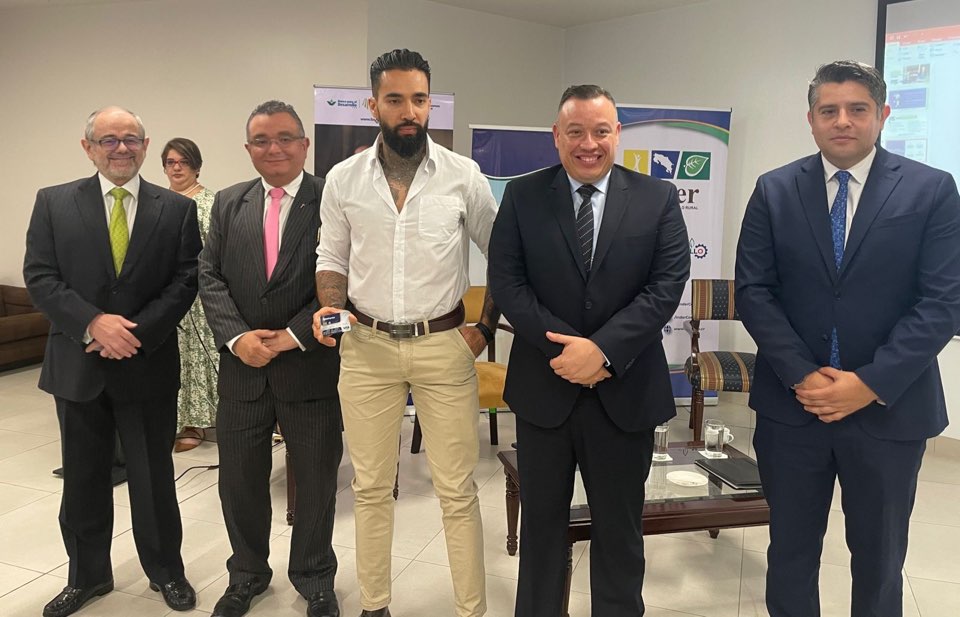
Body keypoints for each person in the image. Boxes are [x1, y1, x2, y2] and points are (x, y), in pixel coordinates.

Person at [735, 60, 960, 617]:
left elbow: (942, 301)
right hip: (794, 408)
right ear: (810, 119)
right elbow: (754, 292)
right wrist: (802, 374)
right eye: (828, 110)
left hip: (889, 411)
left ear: (882, 115)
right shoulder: (774, 189)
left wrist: (870, 383)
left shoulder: (932, 189)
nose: (842, 121)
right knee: (790, 552)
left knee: (880, 560)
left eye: (857, 109)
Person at [487, 85, 690, 617]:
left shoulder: (657, 197)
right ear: (556, 136)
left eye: (601, 131)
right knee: (542, 531)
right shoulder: (522, 196)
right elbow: (507, 283)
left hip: (625, 394)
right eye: (575, 132)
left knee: (619, 533)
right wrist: (567, 351)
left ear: (617, 134)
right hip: (544, 391)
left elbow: (666, 286)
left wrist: (601, 352)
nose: (588, 144)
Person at [313, 49, 499, 617]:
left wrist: (483, 329)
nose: (409, 111)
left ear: (430, 103)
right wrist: (331, 311)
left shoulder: (463, 175)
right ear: (374, 106)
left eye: (419, 99)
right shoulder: (343, 179)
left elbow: (505, 257)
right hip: (366, 349)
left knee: (457, 490)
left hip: (445, 347)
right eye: (395, 99)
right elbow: (331, 258)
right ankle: (375, 606)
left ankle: (471, 610)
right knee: (371, 488)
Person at [23, 106, 200, 616]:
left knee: (154, 480)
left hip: (147, 366)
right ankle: (88, 577)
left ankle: (166, 572)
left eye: (131, 139)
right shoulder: (54, 202)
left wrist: (132, 334)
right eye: (108, 140)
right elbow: (40, 276)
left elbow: (185, 280)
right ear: (88, 147)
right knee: (83, 481)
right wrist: (93, 324)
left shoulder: (176, 209)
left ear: (145, 145)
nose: (121, 148)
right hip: (78, 367)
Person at [199, 100, 342, 617]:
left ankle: (314, 577)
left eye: (285, 138)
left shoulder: (332, 198)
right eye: (261, 140)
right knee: (239, 482)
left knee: (317, 482)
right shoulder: (228, 202)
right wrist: (238, 338)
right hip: (243, 370)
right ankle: (247, 575)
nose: (273, 148)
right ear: (248, 148)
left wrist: (291, 336)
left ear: (305, 144)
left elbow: (345, 279)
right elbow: (209, 275)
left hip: (310, 366)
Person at [162, 137, 218, 452]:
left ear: (196, 166)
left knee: (194, 359)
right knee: (169, 360)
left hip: (197, 298)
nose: (177, 168)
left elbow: (215, 253)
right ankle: (170, 420)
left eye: (184, 162)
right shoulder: (156, 201)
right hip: (160, 296)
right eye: (171, 162)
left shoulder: (209, 203)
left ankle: (194, 423)